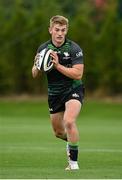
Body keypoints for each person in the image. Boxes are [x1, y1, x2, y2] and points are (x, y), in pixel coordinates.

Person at [32, 15, 84, 170]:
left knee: (69, 121)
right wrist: (37, 65)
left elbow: (78, 74)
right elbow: (35, 74)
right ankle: (72, 142)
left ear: (66, 30)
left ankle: (73, 164)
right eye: (57, 30)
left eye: (63, 30)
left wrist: (58, 65)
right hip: (54, 93)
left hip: (73, 89)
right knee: (58, 132)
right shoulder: (43, 48)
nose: (60, 33)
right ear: (50, 30)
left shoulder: (74, 48)